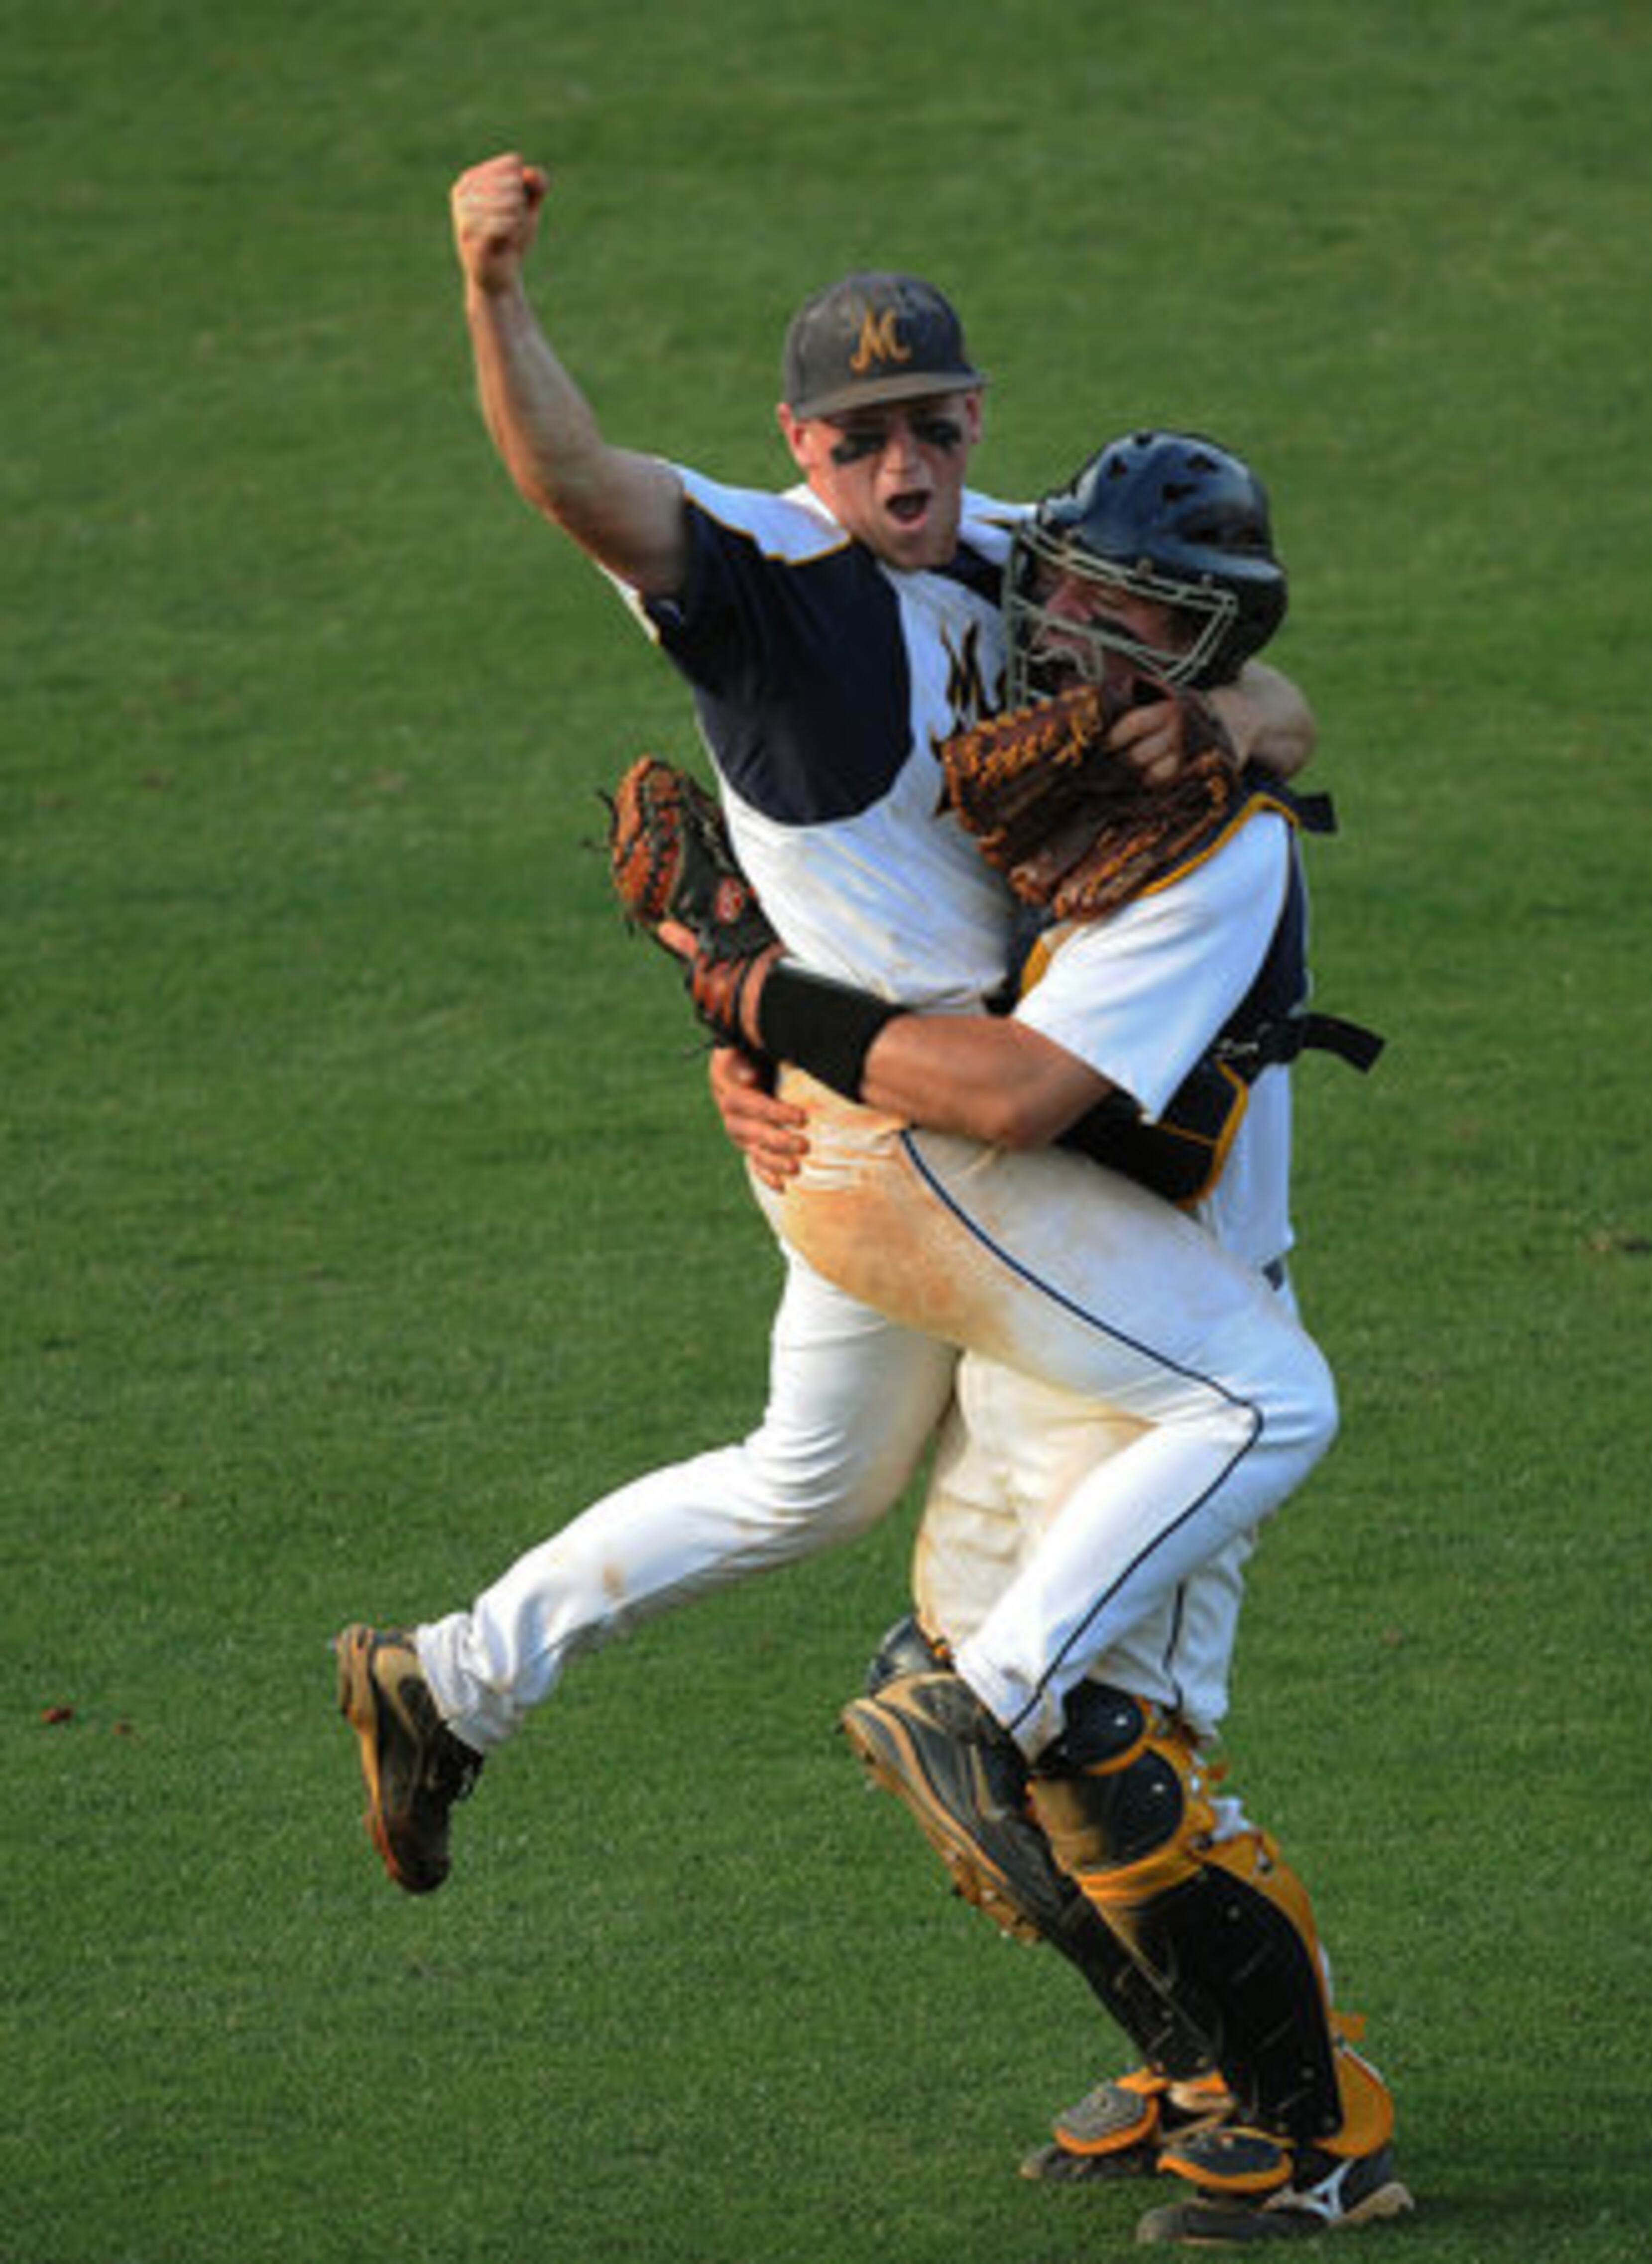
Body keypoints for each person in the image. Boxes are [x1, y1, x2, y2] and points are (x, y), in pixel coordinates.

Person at [336, 153, 1335, 1900]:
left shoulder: (1019, 547)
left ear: (972, 419)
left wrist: (1234, 720)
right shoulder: (753, 573)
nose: (902, 468)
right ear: (800, 443)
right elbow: (569, 477)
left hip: (890, 1110)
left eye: (930, 427)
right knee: (1256, 1399)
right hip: (931, 1127)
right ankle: (986, 1705)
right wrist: (494, 291)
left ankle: (451, 1674)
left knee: (811, 1480)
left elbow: (1276, 685)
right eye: (860, 434)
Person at [702, 436, 1411, 2246]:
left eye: (1136, 616)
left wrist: (764, 1000)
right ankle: (1196, 2068)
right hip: (1042, 1306)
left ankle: (1322, 2127)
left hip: (1175, 1331)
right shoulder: (1052, 761)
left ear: (1199, 649)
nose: (1079, 627)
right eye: (1073, 587)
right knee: (940, 1697)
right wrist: (759, 1051)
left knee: (1095, 1737)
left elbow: (1020, 1088)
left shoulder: (1204, 832)